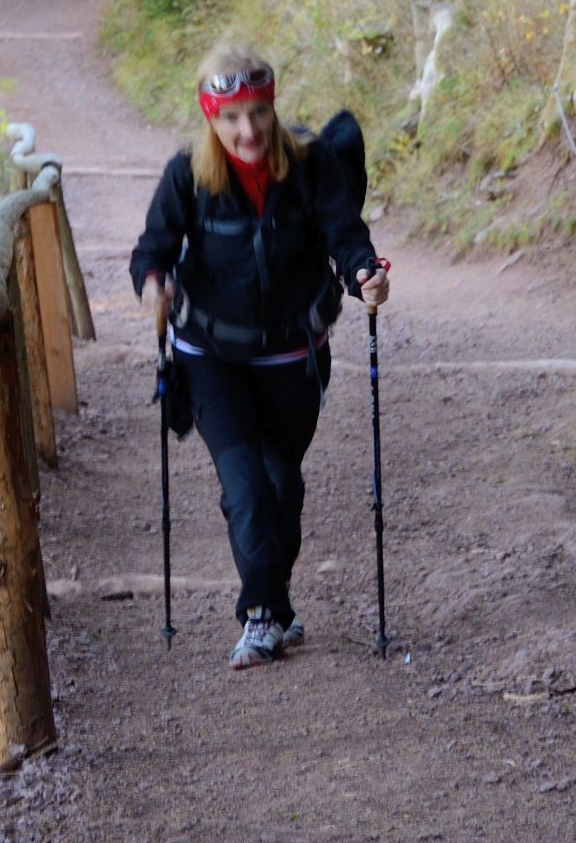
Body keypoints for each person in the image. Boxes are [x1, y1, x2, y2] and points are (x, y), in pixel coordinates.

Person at [131, 47, 390, 668]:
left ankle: (276, 601)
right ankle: (262, 615)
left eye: (258, 114)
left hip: (292, 356)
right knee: (245, 487)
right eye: (231, 118)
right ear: (210, 120)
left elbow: (345, 234)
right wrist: (153, 284)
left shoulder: (309, 165)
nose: (247, 131)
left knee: (281, 486)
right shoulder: (186, 174)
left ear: (272, 109)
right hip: (210, 354)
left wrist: (365, 276)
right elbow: (153, 248)